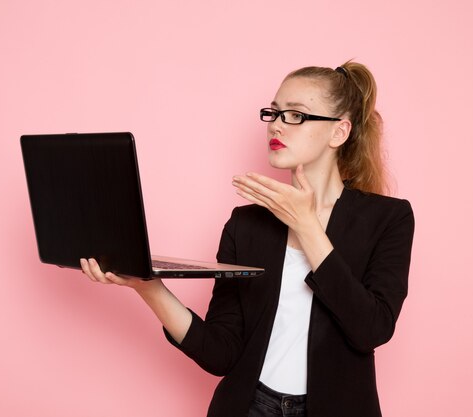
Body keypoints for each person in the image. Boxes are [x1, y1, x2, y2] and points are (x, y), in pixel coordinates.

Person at [80, 61, 415, 417]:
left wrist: (308, 226)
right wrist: (148, 287)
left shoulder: (389, 218)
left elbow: (372, 329)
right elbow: (221, 353)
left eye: (295, 115)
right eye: (273, 112)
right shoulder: (245, 225)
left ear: (339, 132)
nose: (276, 124)